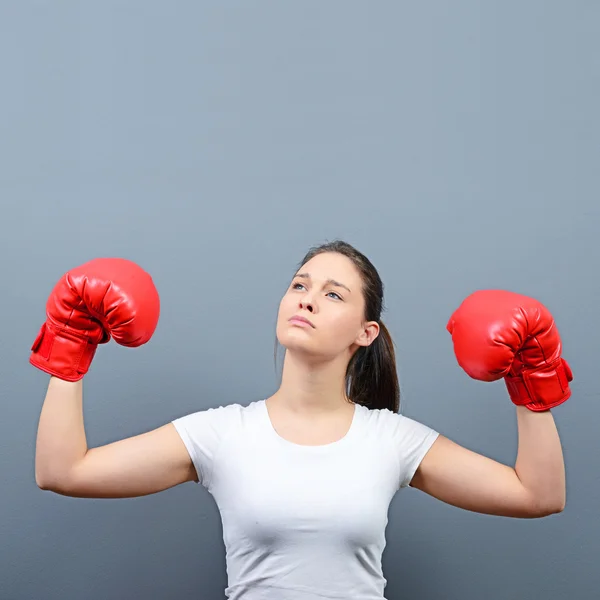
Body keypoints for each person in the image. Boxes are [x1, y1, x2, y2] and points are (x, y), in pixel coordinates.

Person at [32, 241, 571, 600]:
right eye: (300, 285)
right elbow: (64, 471)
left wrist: (530, 380)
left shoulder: (390, 439)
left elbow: (537, 495)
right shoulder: (223, 434)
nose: (308, 300)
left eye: (333, 294)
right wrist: (70, 347)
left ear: (366, 333)